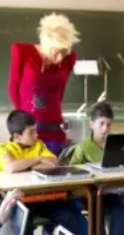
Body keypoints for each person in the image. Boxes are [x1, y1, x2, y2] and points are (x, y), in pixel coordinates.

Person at [0, 109, 88, 235]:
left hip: (44, 197)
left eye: (35, 130)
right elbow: (11, 167)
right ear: (17, 136)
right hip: (20, 201)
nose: (37, 135)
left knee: (70, 218)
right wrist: (38, 159)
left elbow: (54, 163)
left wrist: (23, 166)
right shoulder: (3, 148)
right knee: (23, 225)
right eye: (31, 132)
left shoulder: (38, 145)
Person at [8, 13, 79, 155]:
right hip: (28, 132)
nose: (60, 59)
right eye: (56, 52)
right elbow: (13, 89)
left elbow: (60, 92)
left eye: (64, 53)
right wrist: (23, 123)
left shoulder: (69, 59)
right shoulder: (22, 52)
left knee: (56, 171)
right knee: (26, 172)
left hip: (55, 129)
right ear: (46, 43)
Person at [69, 102, 124, 235]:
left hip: (111, 192)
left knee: (120, 211)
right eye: (101, 124)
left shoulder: (117, 145)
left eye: (109, 124)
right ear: (91, 124)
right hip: (91, 195)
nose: (105, 128)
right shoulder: (83, 147)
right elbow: (72, 171)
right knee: (98, 213)